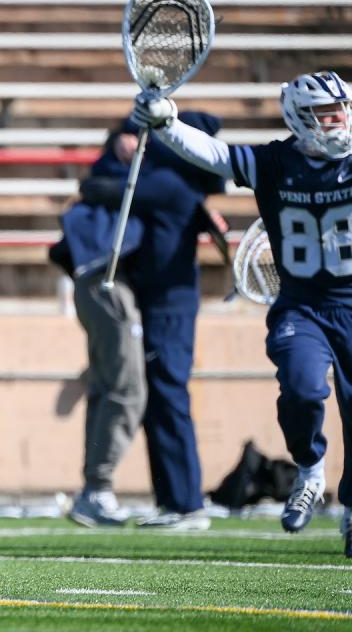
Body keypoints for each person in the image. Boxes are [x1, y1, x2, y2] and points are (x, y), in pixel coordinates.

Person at [130, 70, 352, 557]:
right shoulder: (276, 161)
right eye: (324, 115)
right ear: (298, 117)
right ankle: (310, 470)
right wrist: (166, 123)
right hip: (304, 305)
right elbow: (215, 155)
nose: (335, 123)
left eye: (339, 112)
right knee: (301, 388)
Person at [54, 114, 225, 530]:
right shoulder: (172, 182)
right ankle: (170, 500)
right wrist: (122, 141)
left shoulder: (168, 184)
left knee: (161, 394)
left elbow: (96, 187)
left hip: (170, 304)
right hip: (148, 297)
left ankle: (183, 502)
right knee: (142, 393)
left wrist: (127, 145)